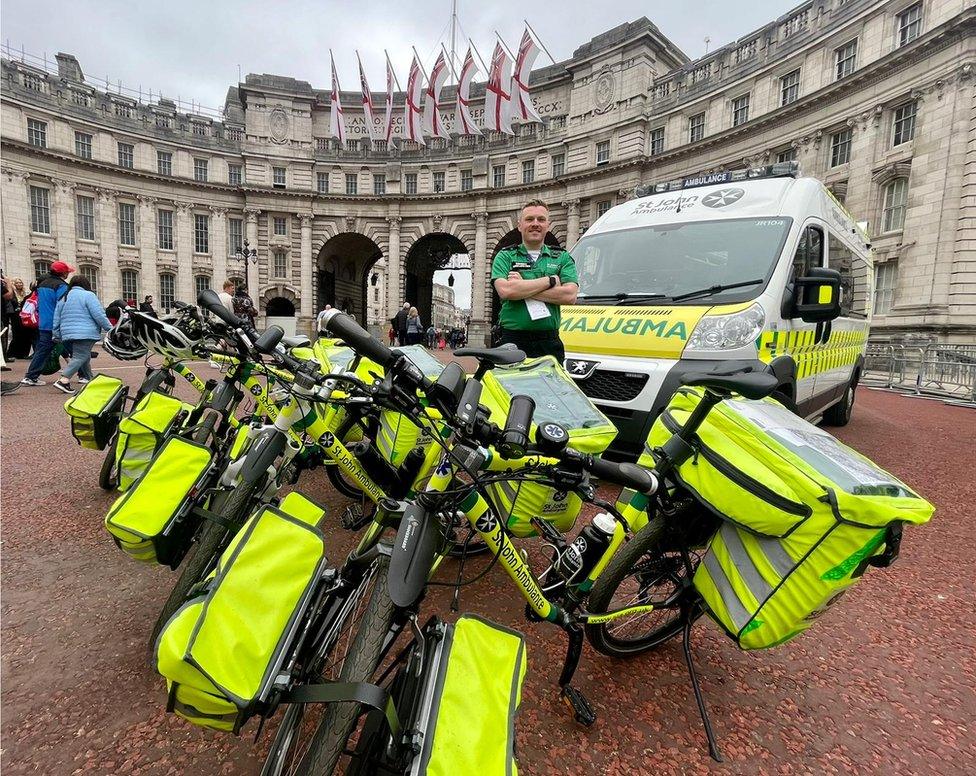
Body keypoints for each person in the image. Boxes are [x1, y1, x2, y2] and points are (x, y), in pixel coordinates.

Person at [491, 199, 579, 361]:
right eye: (529, 219)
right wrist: (550, 281)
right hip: (512, 340)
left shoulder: (562, 257)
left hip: (549, 342)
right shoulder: (504, 256)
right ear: (519, 225)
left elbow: (569, 296)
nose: (535, 224)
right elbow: (506, 291)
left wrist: (522, 286)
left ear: (548, 225)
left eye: (541, 219)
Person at [51, 275, 112, 394]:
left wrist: (56, 334)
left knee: (84, 356)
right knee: (81, 356)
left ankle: (90, 379)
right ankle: (63, 380)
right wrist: (110, 329)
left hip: (67, 333)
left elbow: (56, 318)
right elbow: (98, 314)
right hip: (85, 332)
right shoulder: (89, 295)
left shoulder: (64, 297)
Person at [21, 261, 73, 386]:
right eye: (67, 272)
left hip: (44, 322)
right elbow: (62, 305)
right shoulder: (61, 286)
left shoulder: (42, 285)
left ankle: (31, 376)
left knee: (42, 350)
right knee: (75, 349)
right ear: (63, 273)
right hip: (57, 322)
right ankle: (84, 375)